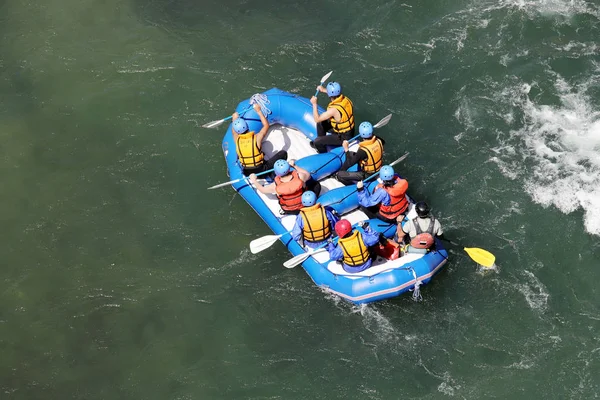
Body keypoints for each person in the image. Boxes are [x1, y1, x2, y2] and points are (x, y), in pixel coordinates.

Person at [231, 103, 287, 175]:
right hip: (262, 171)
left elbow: (233, 132)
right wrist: (258, 111)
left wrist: (234, 119)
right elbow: (266, 125)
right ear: (247, 126)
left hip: (247, 172)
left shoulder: (236, 139)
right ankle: (276, 173)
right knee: (283, 153)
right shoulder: (257, 137)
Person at [249, 159, 321, 215]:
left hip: (287, 210)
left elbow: (263, 190)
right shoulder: (300, 176)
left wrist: (254, 180)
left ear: (276, 173)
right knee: (316, 184)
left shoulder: (275, 186)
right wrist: (294, 165)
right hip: (303, 206)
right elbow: (307, 174)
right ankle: (310, 204)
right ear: (289, 169)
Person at [309, 82, 355, 154]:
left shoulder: (333, 110)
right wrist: (323, 90)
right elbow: (334, 94)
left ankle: (322, 152)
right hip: (348, 130)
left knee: (317, 142)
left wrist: (314, 104)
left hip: (343, 137)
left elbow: (316, 119)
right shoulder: (345, 99)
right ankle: (322, 140)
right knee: (321, 123)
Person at [336, 121, 386, 185]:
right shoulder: (379, 140)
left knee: (340, 175)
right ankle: (342, 170)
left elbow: (349, 163)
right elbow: (382, 143)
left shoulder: (363, 151)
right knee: (351, 154)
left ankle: (350, 184)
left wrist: (346, 148)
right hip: (378, 169)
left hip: (367, 175)